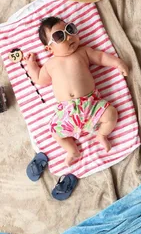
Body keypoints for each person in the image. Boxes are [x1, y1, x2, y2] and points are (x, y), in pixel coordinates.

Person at [25, 17, 128, 166]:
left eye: (70, 30)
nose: (68, 37)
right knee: (54, 131)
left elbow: (100, 57)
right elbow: (40, 79)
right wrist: (31, 64)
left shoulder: (83, 52)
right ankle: (72, 150)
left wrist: (117, 63)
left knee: (111, 113)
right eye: (59, 36)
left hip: (91, 105)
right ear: (49, 48)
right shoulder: (50, 65)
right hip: (66, 112)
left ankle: (101, 135)